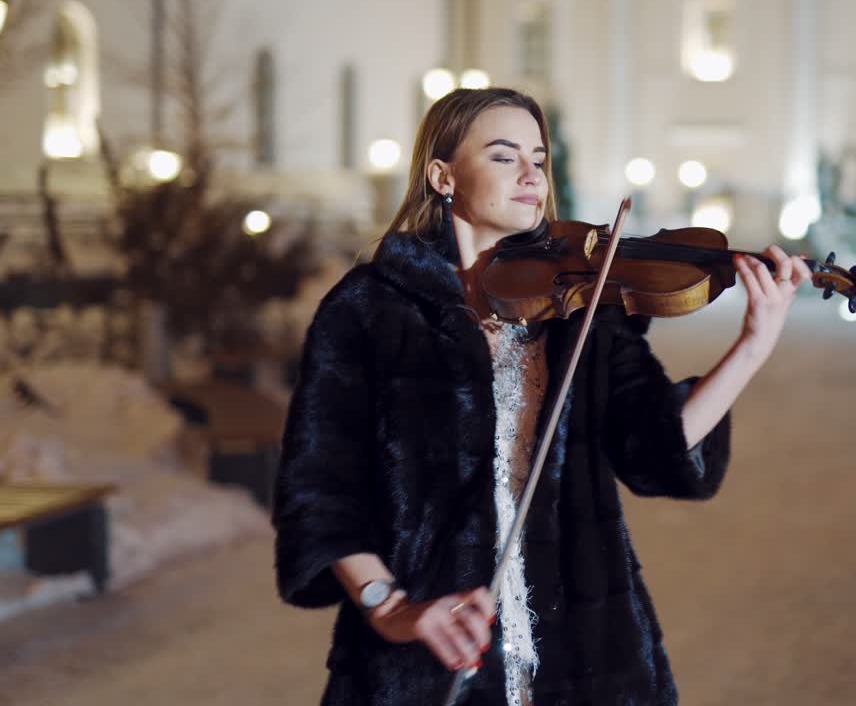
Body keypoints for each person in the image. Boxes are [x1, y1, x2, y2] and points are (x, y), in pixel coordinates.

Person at [272, 87, 812, 706]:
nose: (533, 174)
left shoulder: (581, 305)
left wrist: (753, 345)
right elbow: (320, 493)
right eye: (505, 157)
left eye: (539, 157)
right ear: (443, 175)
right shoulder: (368, 310)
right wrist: (390, 608)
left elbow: (655, 448)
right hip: (423, 661)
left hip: (589, 655)